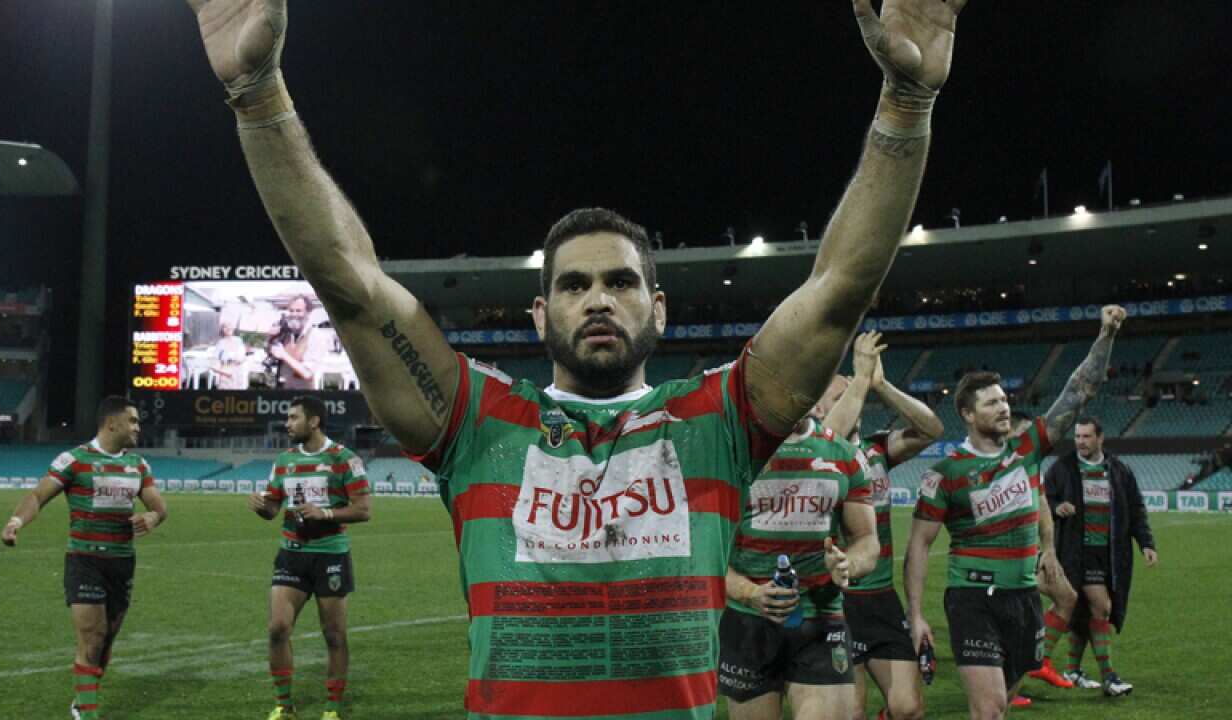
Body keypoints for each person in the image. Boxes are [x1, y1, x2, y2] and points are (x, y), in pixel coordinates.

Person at [186, 0, 967, 716]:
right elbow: (349, 284)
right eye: (573, 285)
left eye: (622, 282)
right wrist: (257, 93)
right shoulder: (475, 421)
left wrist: (908, 104)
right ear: (540, 313)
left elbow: (840, 289)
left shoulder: (718, 419)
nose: (598, 299)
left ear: (657, 309)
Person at [904, 305, 1126, 720]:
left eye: (1005, 400)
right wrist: (915, 615)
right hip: (972, 598)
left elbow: (1079, 391)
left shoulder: (1027, 450)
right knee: (988, 710)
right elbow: (918, 547)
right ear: (968, 415)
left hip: (1024, 599)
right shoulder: (946, 473)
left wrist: (1106, 335)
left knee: (1000, 706)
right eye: (991, 403)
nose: (1004, 408)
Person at [720, 376, 879, 720]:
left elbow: (867, 540)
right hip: (748, 623)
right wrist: (750, 593)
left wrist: (848, 564)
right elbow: (706, 555)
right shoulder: (732, 453)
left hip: (821, 620)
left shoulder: (845, 455)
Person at [0, 396, 168, 720]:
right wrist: (16, 521)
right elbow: (37, 495)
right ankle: (87, 714)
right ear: (111, 423)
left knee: (105, 642)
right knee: (91, 637)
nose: (137, 427)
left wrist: (154, 518)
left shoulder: (138, 465)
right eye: (132, 421)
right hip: (85, 560)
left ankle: (82, 699)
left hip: (122, 562)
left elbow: (158, 507)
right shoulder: (74, 460)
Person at [822, 331, 944, 720]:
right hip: (836, 602)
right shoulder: (815, 456)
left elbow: (931, 430)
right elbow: (831, 440)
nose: (853, 397)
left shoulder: (876, 451)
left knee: (907, 708)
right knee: (850, 713)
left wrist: (880, 385)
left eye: (854, 391)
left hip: (881, 599)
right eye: (841, 393)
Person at [248, 396, 371, 720]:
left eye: (292, 418)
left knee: (333, 634)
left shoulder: (344, 459)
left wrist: (325, 512)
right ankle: (283, 705)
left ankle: (332, 707)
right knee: (277, 628)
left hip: (330, 555)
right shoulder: (284, 460)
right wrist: (264, 508)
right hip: (291, 555)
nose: (287, 424)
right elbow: (274, 507)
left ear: (313, 421)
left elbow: (363, 510)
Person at [1044, 416, 1157, 697]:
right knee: (1102, 607)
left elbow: (1135, 509)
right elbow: (1043, 499)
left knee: (1084, 612)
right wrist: (1057, 507)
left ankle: (1072, 669)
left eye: (1086, 436)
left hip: (1109, 554)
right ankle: (1108, 676)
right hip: (1075, 552)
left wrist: (1146, 542)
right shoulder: (1063, 468)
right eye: (1078, 437)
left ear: (1100, 438)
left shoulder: (1119, 471)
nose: (1080, 442)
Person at [267, 295, 326, 390]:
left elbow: (307, 374)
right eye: (291, 310)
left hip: (303, 393)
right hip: (281, 389)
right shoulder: (285, 333)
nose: (294, 314)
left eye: (298, 311)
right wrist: (270, 339)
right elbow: (270, 357)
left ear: (308, 312)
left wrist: (283, 355)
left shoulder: (316, 336)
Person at [213, 320, 250, 389]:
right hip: (227, 373)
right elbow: (216, 359)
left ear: (233, 328)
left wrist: (241, 359)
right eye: (225, 327)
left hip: (239, 372)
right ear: (222, 330)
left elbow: (243, 355)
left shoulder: (238, 340)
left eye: (230, 326)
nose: (228, 328)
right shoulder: (220, 343)